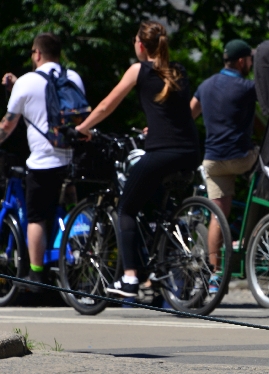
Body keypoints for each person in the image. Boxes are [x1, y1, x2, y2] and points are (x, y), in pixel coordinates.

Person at [75, 21, 199, 298]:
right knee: (155, 207)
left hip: (162, 153)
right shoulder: (179, 70)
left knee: (126, 209)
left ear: (141, 45)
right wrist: (153, 129)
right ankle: (158, 266)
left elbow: (107, 105)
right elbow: (176, 112)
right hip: (190, 152)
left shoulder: (139, 70)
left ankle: (130, 278)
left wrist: (82, 128)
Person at [1, 33, 85, 291]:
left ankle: (36, 274)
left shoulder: (26, 82)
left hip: (42, 163)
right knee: (70, 208)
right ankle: (79, 256)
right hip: (72, 160)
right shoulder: (73, 78)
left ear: (37, 53)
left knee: (36, 218)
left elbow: (7, 126)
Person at [190, 39, 258, 293]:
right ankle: (262, 222)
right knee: (267, 157)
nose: (250, 64)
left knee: (217, 216)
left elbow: (188, 116)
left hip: (213, 161)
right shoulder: (248, 87)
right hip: (241, 159)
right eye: (249, 60)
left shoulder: (205, 86)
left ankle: (215, 275)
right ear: (241, 61)